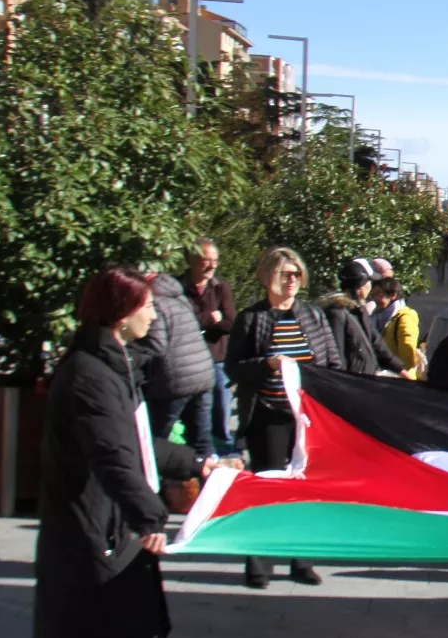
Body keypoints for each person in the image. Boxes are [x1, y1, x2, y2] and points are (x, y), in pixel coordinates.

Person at [31, 265, 222, 638]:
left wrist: (199, 462)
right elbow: (114, 455)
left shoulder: (113, 362)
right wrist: (150, 518)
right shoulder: (91, 374)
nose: (154, 313)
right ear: (122, 313)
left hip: (111, 521)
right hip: (95, 525)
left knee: (125, 626)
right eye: (148, 306)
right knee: (104, 632)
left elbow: (138, 441)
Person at [227, 247, 344, 591]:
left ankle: (301, 560)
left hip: (306, 419)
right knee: (268, 487)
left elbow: (332, 363)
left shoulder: (313, 316)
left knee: (305, 488)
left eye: (296, 274)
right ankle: (258, 563)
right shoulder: (252, 319)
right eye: (285, 274)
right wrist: (267, 364)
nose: (292, 280)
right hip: (268, 415)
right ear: (268, 277)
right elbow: (233, 367)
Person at [138, 268, 216, 460]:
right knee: (202, 441)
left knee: (155, 441)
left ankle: (159, 485)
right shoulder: (177, 296)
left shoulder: (153, 302)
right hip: (203, 372)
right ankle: (211, 484)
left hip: (175, 380)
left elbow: (156, 344)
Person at [181, 238, 236, 455]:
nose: (212, 266)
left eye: (215, 261)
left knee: (221, 412)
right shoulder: (178, 287)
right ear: (191, 260)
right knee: (191, 414)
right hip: (187, 362)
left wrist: (198, 323)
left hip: (216, 359)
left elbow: (230, 322)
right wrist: (209, 318)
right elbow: (179, 324)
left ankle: (223, 455)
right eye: (206, 260)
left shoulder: (220, 287)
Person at [322, 259, 410, 378]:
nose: (371, 286)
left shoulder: (360, 310)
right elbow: (336, 355)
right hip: (351, 383)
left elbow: (377, 344)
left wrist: (400, 370)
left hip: (366, 381)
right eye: (369, 281)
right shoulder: (336, 313)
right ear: (361, 284)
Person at [371, 278, 422, 374]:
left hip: (399, 376)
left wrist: (400, 370)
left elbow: (408, 353)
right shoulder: (375, 316)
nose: (375, 298)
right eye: (373, 294)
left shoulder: (404, 317)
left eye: (379, 294)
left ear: (393, 295)